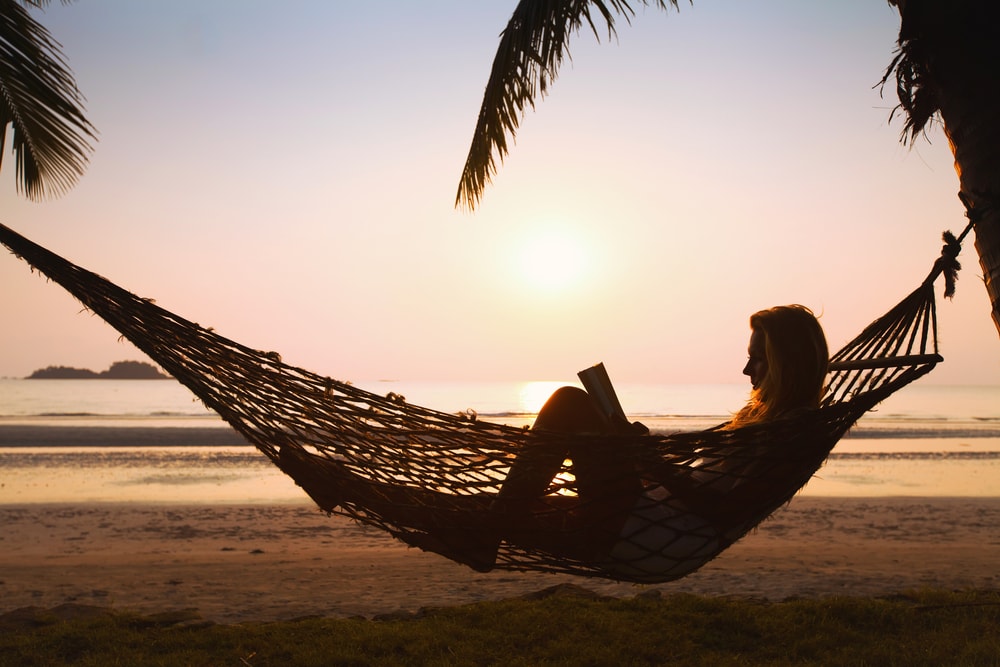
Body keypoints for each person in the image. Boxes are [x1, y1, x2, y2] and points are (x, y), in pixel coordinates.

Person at [484, 304, 830, 576]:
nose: (746, 369)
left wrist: (648, 459)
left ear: (786, 364)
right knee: (484, 509)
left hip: (656, 538)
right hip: (650, 520)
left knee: (569, 402)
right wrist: (641, 457)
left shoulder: (793, 434)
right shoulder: (768, 422)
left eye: (758, 358)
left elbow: (721, 511)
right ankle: (481, 533)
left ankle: (484, 537)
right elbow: (696, 489)